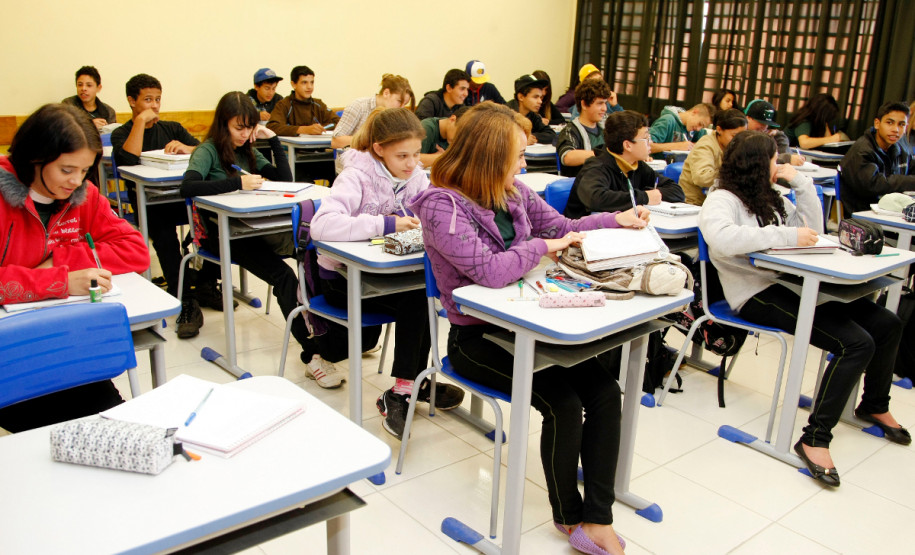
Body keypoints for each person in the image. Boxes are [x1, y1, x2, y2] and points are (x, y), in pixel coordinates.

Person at [410, 102, 648, 555]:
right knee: (563, 403)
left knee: (603, 393)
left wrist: (612, 221)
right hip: (476, 338)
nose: (524, 164)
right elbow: (491, 270)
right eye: (517, 155)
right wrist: (541, 247)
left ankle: (599, 515)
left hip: (529, 327)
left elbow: (563, 226)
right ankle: (568, 517)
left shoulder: (513, 191)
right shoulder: (441, 205)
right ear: (488, 156)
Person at [700, 130, 909, 487]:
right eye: (772, 159)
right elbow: (722, 239)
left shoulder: (769, 194)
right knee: (856, 343)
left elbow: (809, 229)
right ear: (755, 163)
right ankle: (814, 438)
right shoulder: (722, 198)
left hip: (797, 282)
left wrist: (800, 182)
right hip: (755, 292)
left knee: (887, 323)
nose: (776, 164)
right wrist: (785, 237)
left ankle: (873, 403)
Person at [311, 107, 465, 438]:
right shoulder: (355, 176)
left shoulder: (412, 174)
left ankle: (411, 384)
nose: (412, 163)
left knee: (423, 294)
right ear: (379, 149)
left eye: (415, 154)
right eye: (402, 155)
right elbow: (321, 226)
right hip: (341, 279)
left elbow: (432, 207)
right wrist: (387, 223)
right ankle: (405, 388)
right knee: (416, 299)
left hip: (383, 277)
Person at [0, 103, 150, 433]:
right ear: (34, 158)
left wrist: (62, 261)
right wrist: (61, 281)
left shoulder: (83, 195)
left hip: (65, 343)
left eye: (85, 170)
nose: (76, 181)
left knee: (119, 429)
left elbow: (136, 251)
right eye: (67, 169)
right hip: (11, 355)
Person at [178, 92, 330, 378]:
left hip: (255, 230)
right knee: (284, 277)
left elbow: (286, 180)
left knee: (315, 259)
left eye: (249, 127)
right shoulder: (207, 150)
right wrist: (237, 182)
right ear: (223, 124)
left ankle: (330, 335)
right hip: (222, 236)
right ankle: (313, 355)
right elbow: (187, 188)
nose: (244, 133)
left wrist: (272, 140)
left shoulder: (247, 150)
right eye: (238, 127)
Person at [111, 73, 218, 340]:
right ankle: (186, 300)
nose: (155, 106)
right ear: (132, 101)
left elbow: (206, 148)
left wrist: (187, 147)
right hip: (150, 205)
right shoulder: (122, 133)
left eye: (158, 99)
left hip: (180, 199)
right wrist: (139, 122)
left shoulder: (171, 128)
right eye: (148, 100)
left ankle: (205, 282)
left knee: (216, 219)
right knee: (165, 235)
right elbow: (128, 159)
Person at [565, 110, 684, 219]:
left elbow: (676, 191)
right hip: (584, 234)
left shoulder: (636, 165)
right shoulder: (597, 167)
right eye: (646, 138)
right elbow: (596, 199)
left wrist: (654, 194)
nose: (650, 143)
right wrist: (645, 197)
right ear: (627, 145)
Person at [840, 101, 915, 215]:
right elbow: (875, 185)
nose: (896, 129)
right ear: (877, 123)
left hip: (892, 212)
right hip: (863, 217)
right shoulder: (862, 150)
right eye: (890, 123)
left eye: (901, 124)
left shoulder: (900, 149)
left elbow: (911, 168)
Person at [331, 74, 414, 174]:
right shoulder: (359, 106)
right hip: (352, 169)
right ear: (386, 93)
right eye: (399, 101)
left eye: (405, 104)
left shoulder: (396, 116)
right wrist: (370, 143)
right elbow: (336, 141)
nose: (401, 107)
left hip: (383, 170)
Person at [678, 108, 747, 206]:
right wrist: (733, 173)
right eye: (734, 135)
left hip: (719, 202)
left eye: (742, 136)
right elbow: (701, 177)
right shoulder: (706, 145)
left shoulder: (734, 146)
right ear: (719, 130)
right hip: (693, 203)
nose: (739, 140)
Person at [557, 78, 611, 177]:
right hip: (582, 185)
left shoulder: (608, 128)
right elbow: (568, 157)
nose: (605, 108)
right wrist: (604, 154)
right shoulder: (570, 131)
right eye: (599, 103)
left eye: (605, 103)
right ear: (584, 104)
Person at [266, 65, 340, 136]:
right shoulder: (283, 104)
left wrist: (321, 128)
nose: (309, 87)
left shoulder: (318, 104)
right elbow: (272, 127)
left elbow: (339, 123)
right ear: (293, 84)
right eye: (304, 82)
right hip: (292, 148)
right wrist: (304, 130)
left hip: (319, 146)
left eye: (312, 82)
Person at [743, 99, 805, 165]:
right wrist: (786, 158)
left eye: (766, 124)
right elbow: (755, 159)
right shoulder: (740, 136)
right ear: (748, 118)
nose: (764, 127)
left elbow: (787, 154)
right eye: (760, 123)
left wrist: (779, 136)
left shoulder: (767, 136)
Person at [648, 103, 714, 158]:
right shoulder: (668, 121)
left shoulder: (695, 129)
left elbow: (707, 143)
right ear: (695, 112)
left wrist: (693, 146)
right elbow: (647, 146)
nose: (698, 129)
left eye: (702, 127)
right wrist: (677, 146)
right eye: (700, 124)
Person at [61, 66, 117, 130]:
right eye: (80, 85)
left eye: (89, 85)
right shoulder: (68, 105)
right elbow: (64, 130)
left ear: (99, 88)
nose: (83, 89)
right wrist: (90, 125)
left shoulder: (109, 111)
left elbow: (112, 135)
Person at [507, 74, 556, 145]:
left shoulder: (532, 115)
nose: (540, 101)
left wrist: (531, 137)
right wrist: (522, 138)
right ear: (521, 97)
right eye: (535, 97)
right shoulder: (505, 114)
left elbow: (551, 134)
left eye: (540, 97)